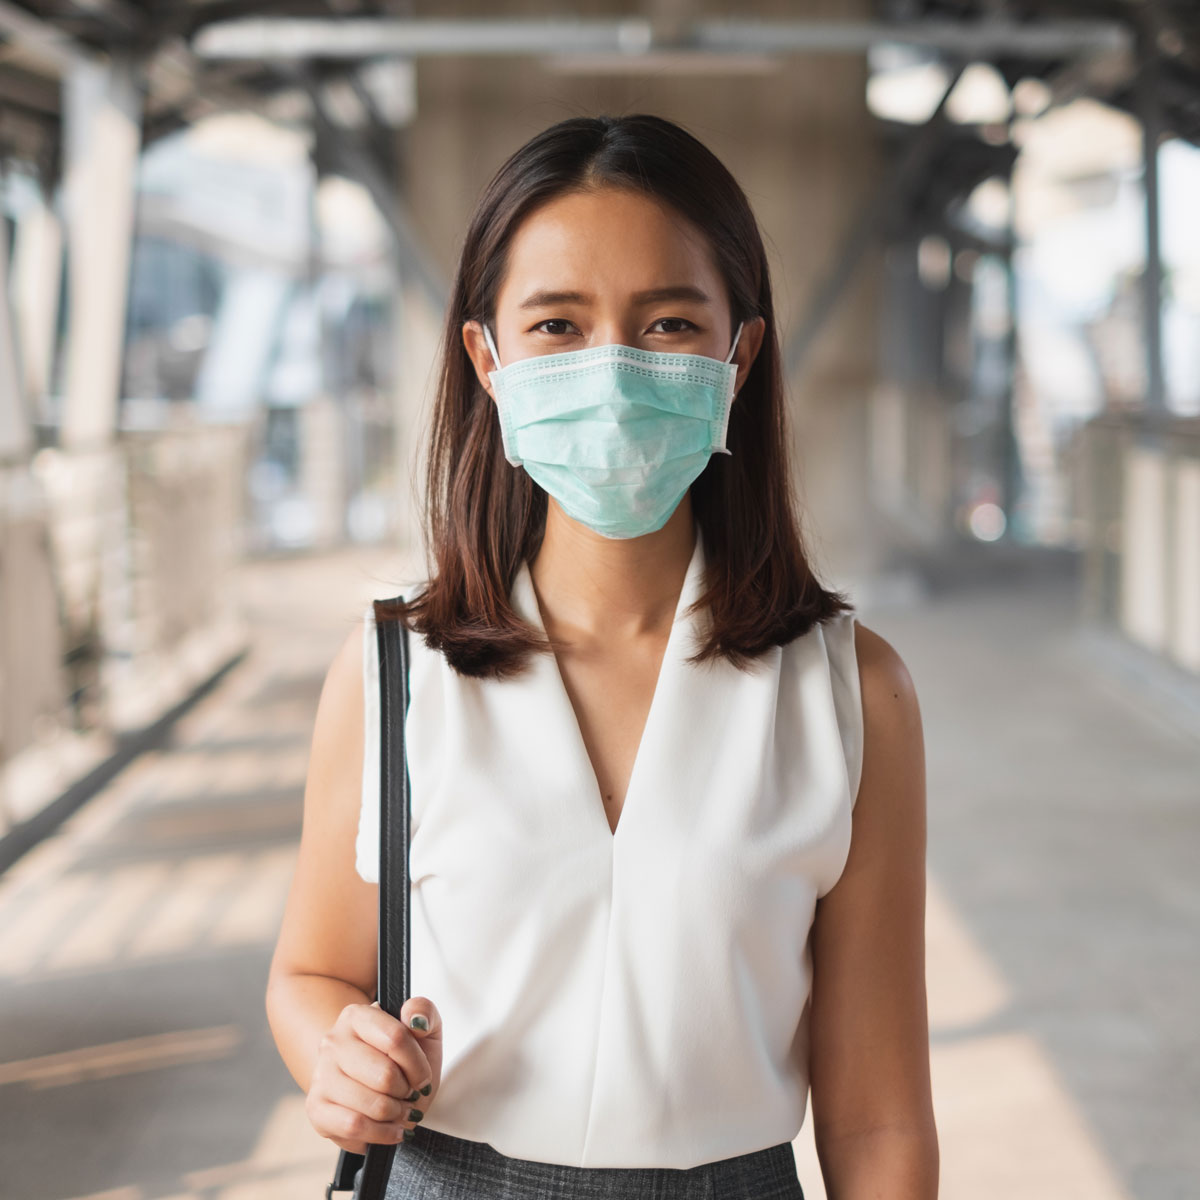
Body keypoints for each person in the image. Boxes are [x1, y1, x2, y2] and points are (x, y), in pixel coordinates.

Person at [266, 112, 938, 1199]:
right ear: (486, 357)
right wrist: (338, 1062)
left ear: (740, 356)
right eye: (558, 326)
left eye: (669, 324)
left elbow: (880, 1119)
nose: (613, 370)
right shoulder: (393, 668)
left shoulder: (854, 694)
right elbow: (311, 973)